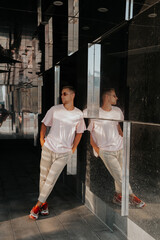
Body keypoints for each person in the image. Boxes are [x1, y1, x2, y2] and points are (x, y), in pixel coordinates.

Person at [29, 86, 86, 220]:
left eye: (65, 94)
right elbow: (44, 124)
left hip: (64, 153)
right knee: (43, 178)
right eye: (61, 94)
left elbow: (79, 133)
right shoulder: (55, 110)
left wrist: (73, 149)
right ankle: (44, 204)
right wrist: (42, 140)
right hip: (49, 148)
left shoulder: (78, 114)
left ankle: (37, 206)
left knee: (50, 179)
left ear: (73, 95)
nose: (62, 96)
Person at [87, 88, 145, 208]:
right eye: (114, 96)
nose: (116, 98)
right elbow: (91, 134)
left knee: (123, 173)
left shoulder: (117, 111)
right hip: (106, 151)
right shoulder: (95, 113)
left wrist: (125, 141)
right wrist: (98, 150)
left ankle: (118, 196)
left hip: (120, 147)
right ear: (107, 97)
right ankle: (132, 196)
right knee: (119, 174)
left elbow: (118, 127)